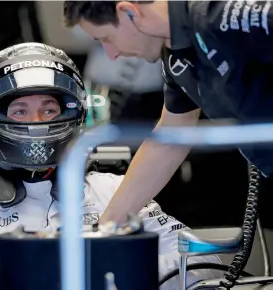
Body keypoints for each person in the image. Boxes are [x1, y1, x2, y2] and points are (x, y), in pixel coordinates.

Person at [0, 43, 221, 290]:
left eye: (48, 110)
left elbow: (200, 264)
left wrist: (131, 271)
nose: (35, 122)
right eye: (20, 111)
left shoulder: (115, 191)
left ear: (73, 114)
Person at [63, 1, 273, 225]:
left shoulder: (219, 15)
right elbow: (169, 141)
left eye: (106, 39)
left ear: (128, 12)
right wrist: (105, 228)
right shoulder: (176, 60)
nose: (112, 54)